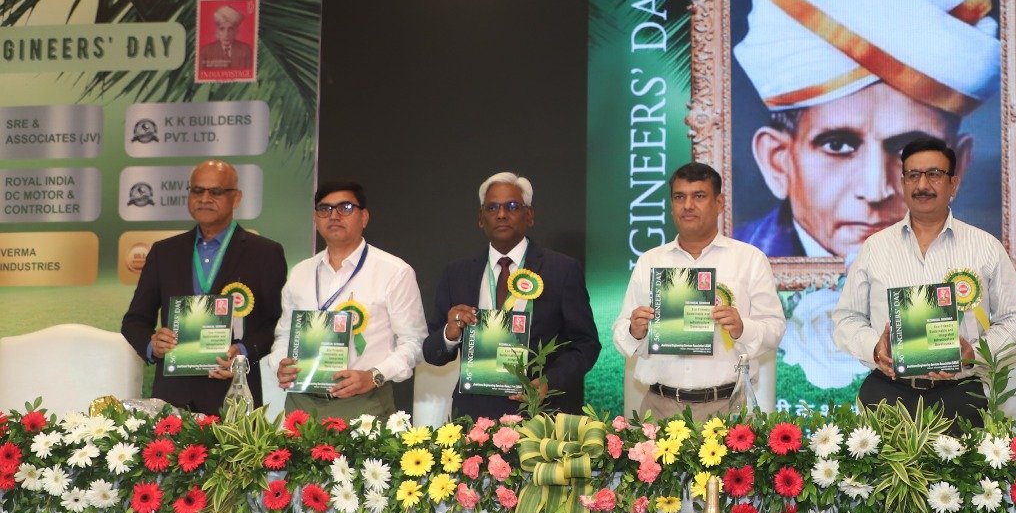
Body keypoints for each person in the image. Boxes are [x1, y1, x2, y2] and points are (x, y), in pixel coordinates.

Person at [732, 0, 1001, 257]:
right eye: (837, 146)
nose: (875, 191)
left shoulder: (982, 266)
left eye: (911, 151)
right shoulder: (731, 266)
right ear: (778, 162)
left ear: (955, 170)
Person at [832, 137, 1016, 425]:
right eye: (913, 175)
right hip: (887, 393)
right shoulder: (875, 248)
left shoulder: (985, 247)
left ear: (953, 184)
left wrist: (974, 353)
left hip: (961, 395)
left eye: (934, 174)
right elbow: (846, 318)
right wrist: (875, 348)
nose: (922, 185)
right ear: (903, 183)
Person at [613, 162, 785, 422]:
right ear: (671, 205)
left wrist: (741, 327)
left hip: (728, 408)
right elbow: (620, 330)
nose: (688, 205)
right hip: (660, 406)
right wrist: (634, 330)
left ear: (719, 203)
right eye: (679, 197)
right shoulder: (651, 261)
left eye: (699, 196)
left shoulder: (749, 259)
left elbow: (774, 329)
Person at [423, 172, 600, 420]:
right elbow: (432, 352)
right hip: (474, 416)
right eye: (492, 207)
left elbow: (586, 344)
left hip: (540, 416)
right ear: (480, 218)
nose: (502, 214)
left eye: (513, 206)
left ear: (530, 215)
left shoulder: (562, 270)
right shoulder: (456, 273)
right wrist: (449, 334)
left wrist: (549, 381)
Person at [120, 159, 287, 414]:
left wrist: (241, 353)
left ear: (237, 198)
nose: (205, 198)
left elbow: (275, 322)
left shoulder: (265, 253)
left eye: (216, 191)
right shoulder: (164, 252)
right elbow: (134, 321)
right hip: (173, 396)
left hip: (234, 394)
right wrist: (152, 344)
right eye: (197, 190)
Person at [267, 181, 426, 420]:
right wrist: (280, 363)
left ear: (364, 217)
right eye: (325, 209)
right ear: (315, 218)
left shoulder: (394, 271)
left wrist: (374, 376)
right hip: (301, 402)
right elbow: (284, 336)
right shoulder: (300, 272)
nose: (334, 215)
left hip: (365, 402)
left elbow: (414, 343)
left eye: (346, 208)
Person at [198, 4, 253, 73]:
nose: (226, 34)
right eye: (222, 29)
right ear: (217, 31)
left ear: (236, 32)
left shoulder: (245, 50)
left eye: (230, 29)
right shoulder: (206, 51)